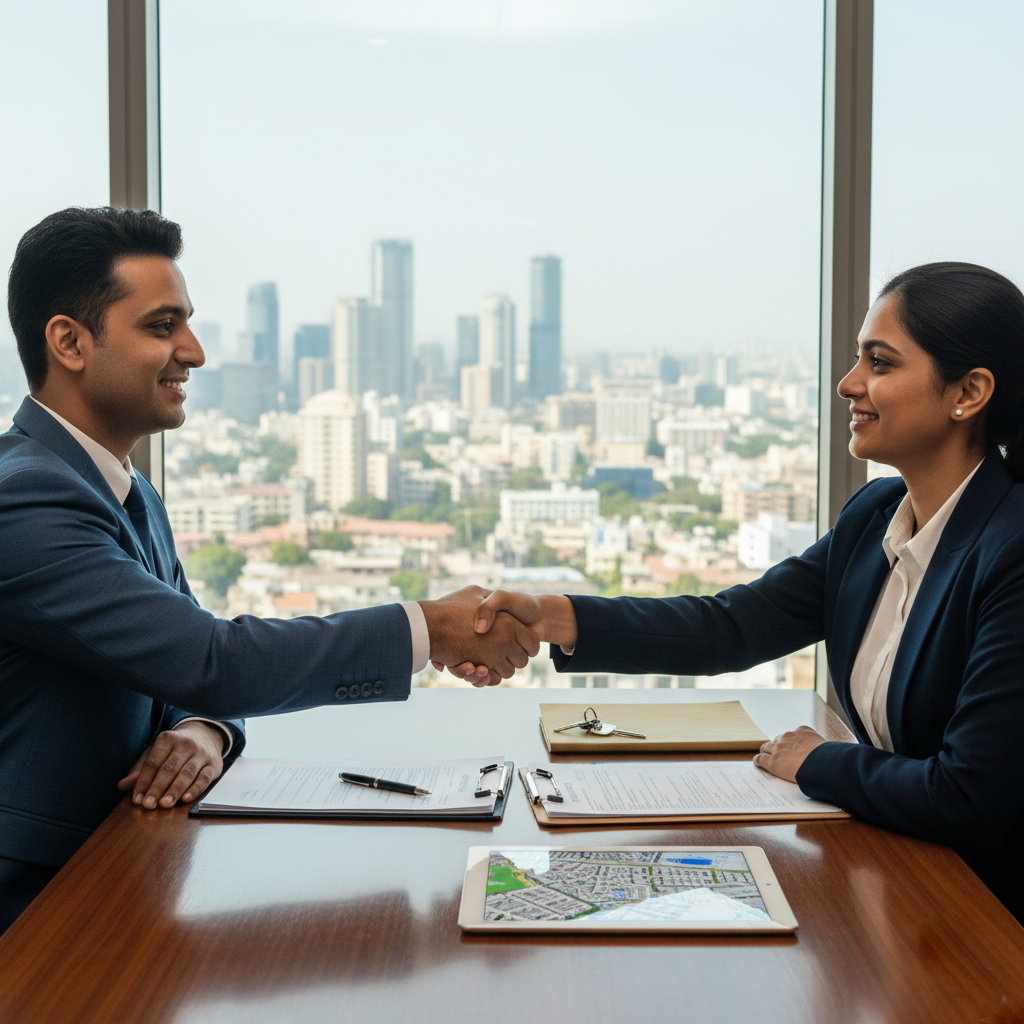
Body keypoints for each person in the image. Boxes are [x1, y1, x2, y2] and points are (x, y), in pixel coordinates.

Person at [0, 206, 536, 933]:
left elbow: (188, 668)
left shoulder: (121, 488)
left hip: (121, 879)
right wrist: (429, 629)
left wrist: (201, 732)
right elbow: (211, 660)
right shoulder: (25, 498)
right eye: (162, 327)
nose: (193, 352)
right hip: (33, 912)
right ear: (68, 341)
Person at [470, 262, 1024, 922]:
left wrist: (818, 762)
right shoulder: (875, 515)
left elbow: (969, 796)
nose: (850, 384)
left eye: (880, 363)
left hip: (986, 916)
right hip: (904, 880)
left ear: (970, 391)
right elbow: (733, 626)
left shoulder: (1012, 552)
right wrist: (553, 616)